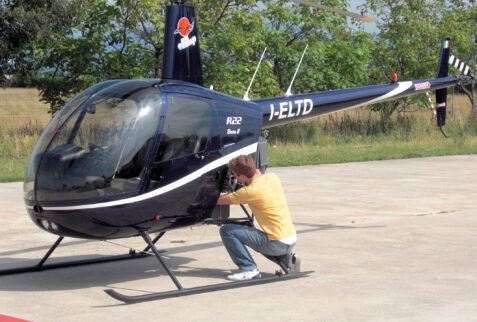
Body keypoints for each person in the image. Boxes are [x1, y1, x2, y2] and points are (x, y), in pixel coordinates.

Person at [216, 154, 300, 281]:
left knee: (227, 230)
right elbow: (259, 178)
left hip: (276, 244)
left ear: (242, 176)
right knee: (255, 234)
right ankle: (288, 259)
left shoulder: (250, 191)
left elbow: (219, 201)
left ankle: (248, 269)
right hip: (290, 239)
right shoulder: (273, 177)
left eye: (234, 174)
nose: (233, 176)